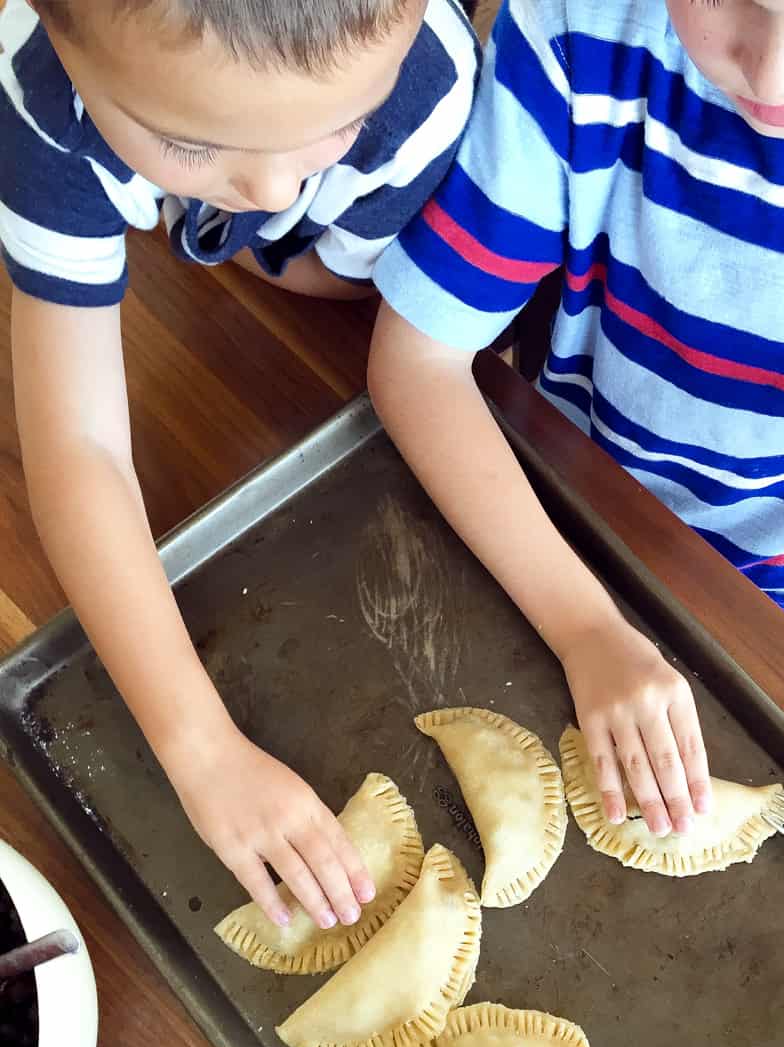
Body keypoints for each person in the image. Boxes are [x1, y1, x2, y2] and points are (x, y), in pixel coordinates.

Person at [368, 0, 784, 943]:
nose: (779, 78)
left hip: (780, 613)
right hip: (539, 526)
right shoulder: (583, 23)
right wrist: (588, 628)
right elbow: (416, 363)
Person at [0, 0, 479, 930]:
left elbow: (370, 292)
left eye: (334, 129)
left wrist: (206, 216)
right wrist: (201, 749)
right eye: (188, 142)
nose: (265, 187)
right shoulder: (39, 94)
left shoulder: (424, 90)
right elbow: (78, 446)